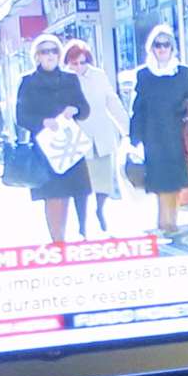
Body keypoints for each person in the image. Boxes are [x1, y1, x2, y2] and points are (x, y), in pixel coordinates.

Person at [14, 33, 91, 244]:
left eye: (54, 51)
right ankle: (57, 240)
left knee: (68, 191)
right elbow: (21, 116)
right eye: (44, 51)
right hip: (44, 147)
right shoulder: (28, 82)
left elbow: (85, 109)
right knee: (52, 194)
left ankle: (66, 236)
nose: (50, 55)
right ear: (37, 56)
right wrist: (42, 122)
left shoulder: (70, 79)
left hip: (69, 144)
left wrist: (74, 109)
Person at [129, 23, 188, 234]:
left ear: (172, 47)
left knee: (174, 182)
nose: (162, 49)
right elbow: (138, 107)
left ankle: (171, 220)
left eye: (166, 44)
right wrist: (134, 138)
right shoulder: (144, 74)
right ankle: (164, 221)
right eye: (157, 45)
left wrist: (185, 107)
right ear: (151, 48)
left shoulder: (181, 72)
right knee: (160, 183)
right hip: (153, 136)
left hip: (176, 134)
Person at [61, 38, 129, 236]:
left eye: (82, 62)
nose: (79, 67)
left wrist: (127, 128)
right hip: (76, 138)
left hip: (101, 134)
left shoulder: (99, 76)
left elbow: (112, 102)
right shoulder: (64, 80)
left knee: (104, 182)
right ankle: (82, 224)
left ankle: (100, 210)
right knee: (81, 186)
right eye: (74, 63)